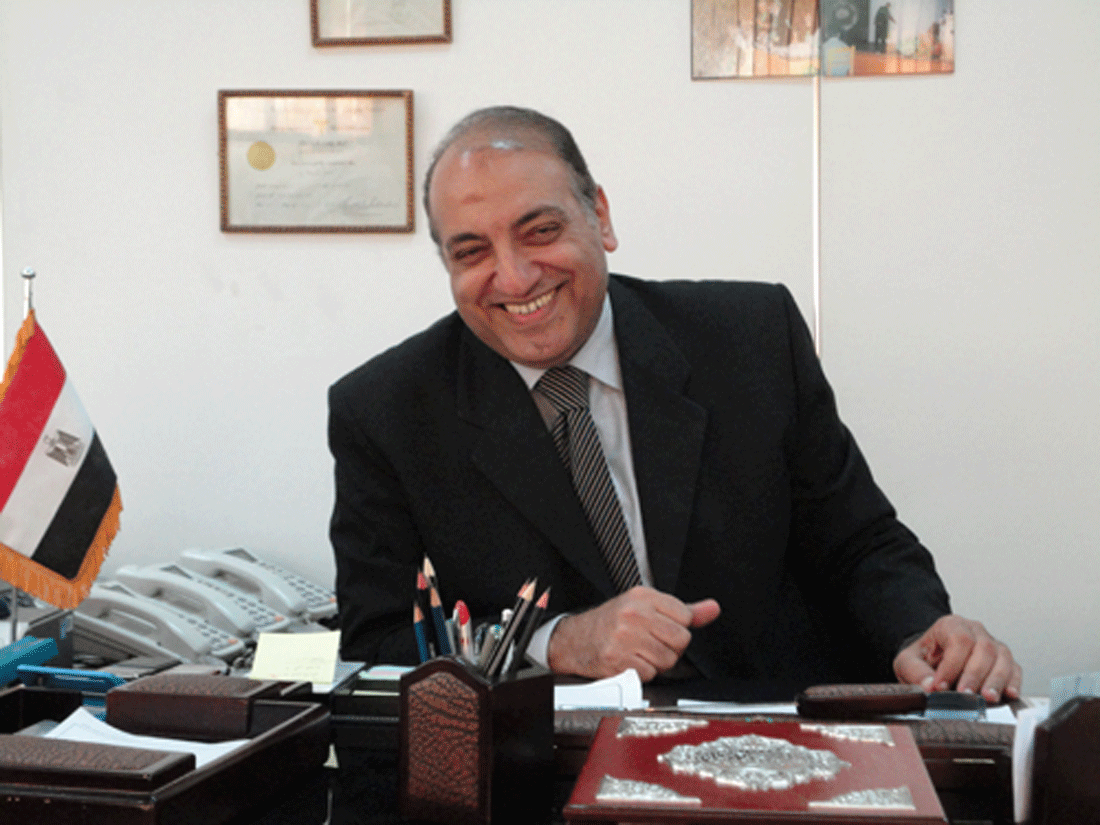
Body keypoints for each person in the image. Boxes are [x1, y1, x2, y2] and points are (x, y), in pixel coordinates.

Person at [329, 105, 1021, 702]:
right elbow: (376, 642)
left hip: (774, 725)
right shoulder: (384, 411)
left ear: (600, 216)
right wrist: (556, 641)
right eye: (472, 251)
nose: (512, 278)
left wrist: (919, 633)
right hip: (545, 761)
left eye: (540, 231)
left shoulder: (752, 337)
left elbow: (859, 543)